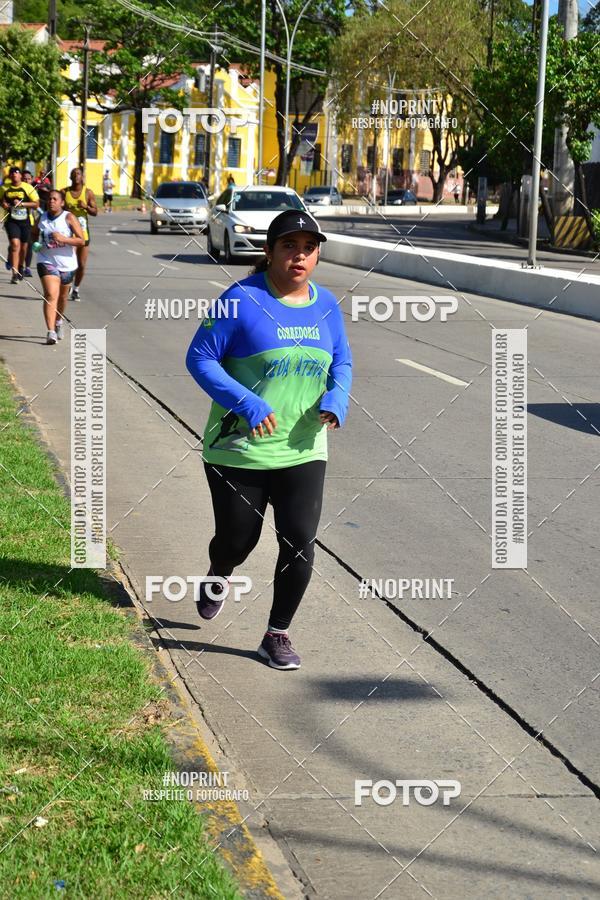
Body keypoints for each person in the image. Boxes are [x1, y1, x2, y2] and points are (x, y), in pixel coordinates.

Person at [186, 209, 352, 670]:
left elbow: (341, 362)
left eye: (309, 248)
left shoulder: (327, 305)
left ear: (317, 255)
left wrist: (337, 399)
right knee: (238, 540)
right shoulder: (238, 300)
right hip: (239, 448)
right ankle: (219, 573)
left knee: (299, 540)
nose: (300, 256)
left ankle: (276, 634)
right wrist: (249, 404)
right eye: (289, 246)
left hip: (303, 449)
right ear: (269, 251)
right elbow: (200, 358)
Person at [33, 189, 84, 344]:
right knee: (50, 294)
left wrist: (64, 239)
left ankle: (58, 321)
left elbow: (81, 240)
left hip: (67, 264)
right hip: (46, 260)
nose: (51, 201)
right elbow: (33, 233)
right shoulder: (41, 218)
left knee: (62, 298)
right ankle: (50, 332)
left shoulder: (68, 217)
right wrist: (36, 243)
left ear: (62, 202)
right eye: (49, 199)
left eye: (55, 199)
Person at [0, 166, 39, 284]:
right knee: (15, 244)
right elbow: (1, 200)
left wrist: (23, 204)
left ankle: (20, 266)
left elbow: (36, 204)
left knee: (24, 247)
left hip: (25, 221)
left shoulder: (27, 187)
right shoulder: (4, 188)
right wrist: (4, 204)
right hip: (11, 221)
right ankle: (15, 273)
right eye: (12, 173)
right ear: (10, 176)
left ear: (20, 175)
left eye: (16, 173)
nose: (14, 175)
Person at [63, 166, 97, 300]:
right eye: (74, 174)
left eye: (79, 174)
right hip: (69, 231)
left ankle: (76, 288)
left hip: (83, 232)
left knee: (81, 264)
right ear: (70, 177)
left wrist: (86, 207)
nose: (76, 175)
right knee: (70, 262)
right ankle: (67, 285)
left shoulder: (88, 193)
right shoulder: (64, 192)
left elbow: (95, 212)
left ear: (82, 177)